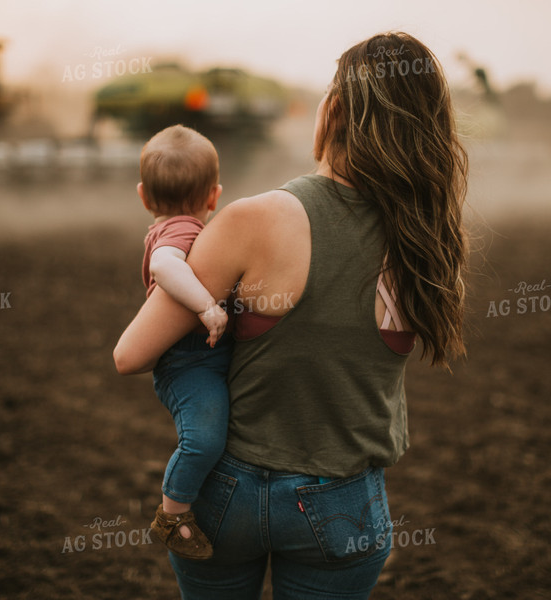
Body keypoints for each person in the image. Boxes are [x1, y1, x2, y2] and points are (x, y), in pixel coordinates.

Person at [114, 31, 467, 599]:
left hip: (228, 494)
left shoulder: (254, 218)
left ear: (337, 112)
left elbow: (130, 354)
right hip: (344, 505)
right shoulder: (428, 238)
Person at [134, 124, 230, 560]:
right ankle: (172, 514)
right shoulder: (183, 230)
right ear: (214, 196)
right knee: (203, 438)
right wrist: (207, 307)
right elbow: (164, 266)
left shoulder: (173, 225)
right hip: (187, 363)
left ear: (143, 196)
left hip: (199, 358)